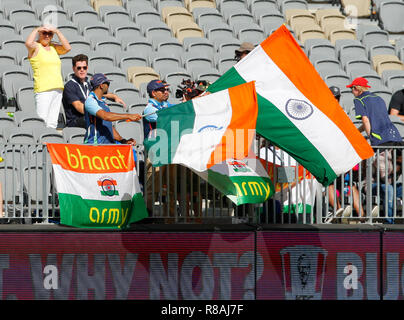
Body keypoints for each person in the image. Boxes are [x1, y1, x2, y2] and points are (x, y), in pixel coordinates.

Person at [348, 77, 403, 223]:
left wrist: (371, 138)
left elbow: (366, 121)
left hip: (381, 143)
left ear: (358, 89)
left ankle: (388, 220)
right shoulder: (378, 98)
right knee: (389, 179)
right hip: (395, 139)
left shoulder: (359, 100)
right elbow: (379, 119)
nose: (351, 92)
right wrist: (356, 132)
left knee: (383, 181)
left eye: (352, 88)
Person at [62, 54, 126, 128]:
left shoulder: (88, 84)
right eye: (79, 68)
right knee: (102, 119)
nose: (82, 70)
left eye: (84, 67)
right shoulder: (69, 86)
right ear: (73, 69)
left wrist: (114, 97)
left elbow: (101, 94)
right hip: (76, 120)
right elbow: (79, 107)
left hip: (89, 116)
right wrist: (98, 112)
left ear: (87, 68)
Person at [25, 24, 71, 128]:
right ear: (39, 34)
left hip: (57, 88)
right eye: (44, 33)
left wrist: (57, 32)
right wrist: (37, 29)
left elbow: (67, 48)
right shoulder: (36, 46)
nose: (47, 36)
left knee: (52, 123)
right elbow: (28, 43)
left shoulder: (53, 47)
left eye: (50, 34)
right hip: (43, 89)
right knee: (42, 121)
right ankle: (41, 144)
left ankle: (50, 142)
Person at [83, 73, 141, 145]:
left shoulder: (102, 102)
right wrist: (128, 116)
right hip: (94, 146)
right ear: (101, 85)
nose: (108, 86)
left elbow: (108, 125)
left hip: (107, 146)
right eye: (107, 83)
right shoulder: (90, 101)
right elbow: (106, 116)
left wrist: (123, 140)